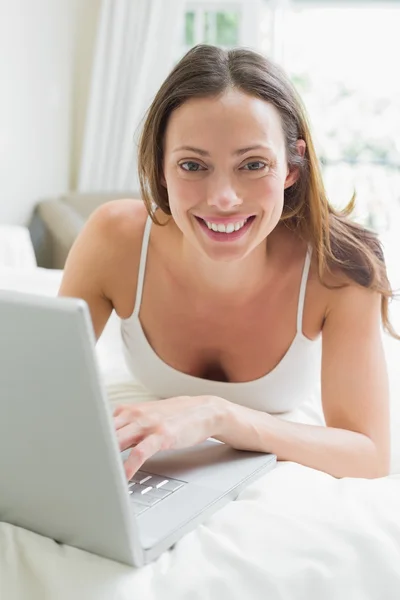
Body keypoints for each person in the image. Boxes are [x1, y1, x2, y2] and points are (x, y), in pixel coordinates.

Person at [59, 44, 396, 481]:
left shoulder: (341, 265)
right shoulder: (113, 238)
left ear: (292, 168)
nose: (223, 199)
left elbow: (369, 454)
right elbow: (43, 389)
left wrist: (218, 415)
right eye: (193, 165)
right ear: (161, 167)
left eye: (253, 164)